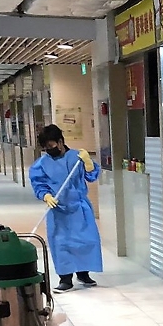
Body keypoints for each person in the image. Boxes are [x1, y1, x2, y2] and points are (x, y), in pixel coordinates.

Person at [29, 124, 102, 292]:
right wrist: (46, 196)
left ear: (60, 142)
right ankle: (65, 279)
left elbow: (91, 177)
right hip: (58, 211)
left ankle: (83, 273)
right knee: (61, 244)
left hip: (80, 208)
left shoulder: (77, 157)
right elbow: (39, 184)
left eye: (51, 145)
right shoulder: (42, 164)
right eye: (46, 148)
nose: (49, 150)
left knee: (85, 241)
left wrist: (88, 163)